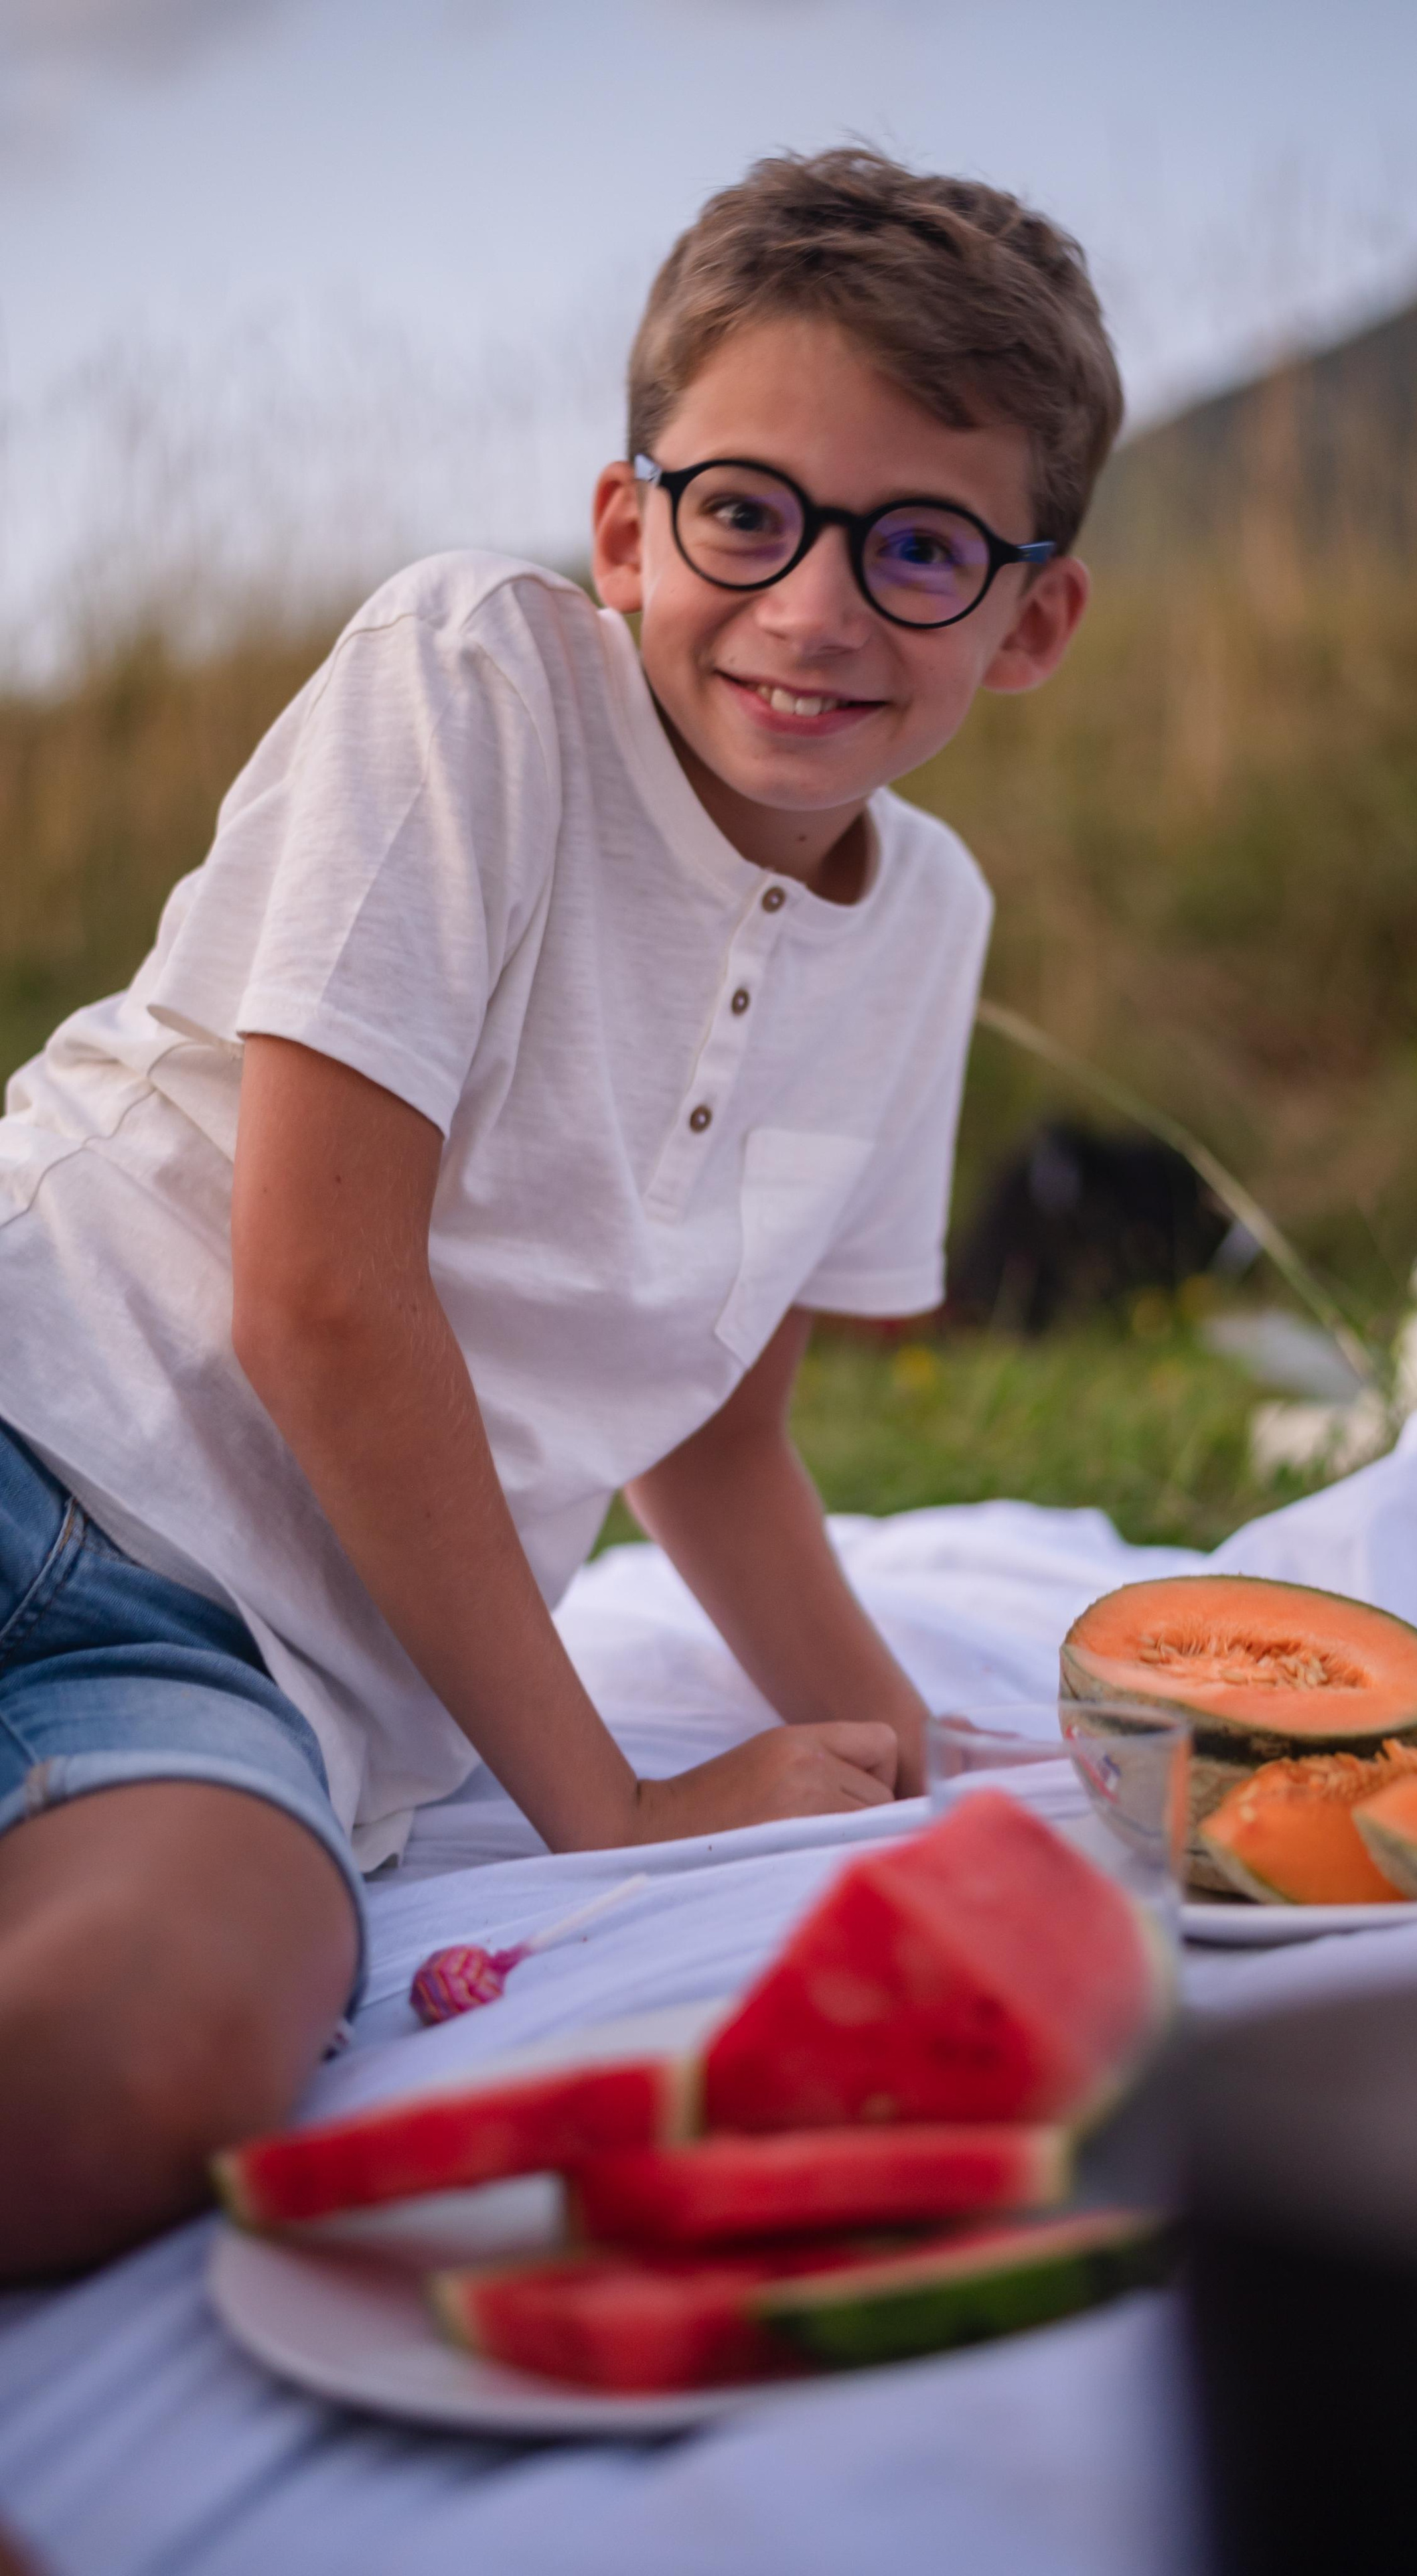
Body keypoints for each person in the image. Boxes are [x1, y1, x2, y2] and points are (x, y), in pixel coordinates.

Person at [0, 147, 1120, 2275]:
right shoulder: (477, 676)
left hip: (239, 1677)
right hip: (31, 1398)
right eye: (744, 511)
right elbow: (321, 1295)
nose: (811, 607)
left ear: (1033, 612)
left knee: (123, 2073)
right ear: (629, 525)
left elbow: (714, 1421)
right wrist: (612, 1811)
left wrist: (928, 1755)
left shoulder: (929, 927)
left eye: (917, 547)